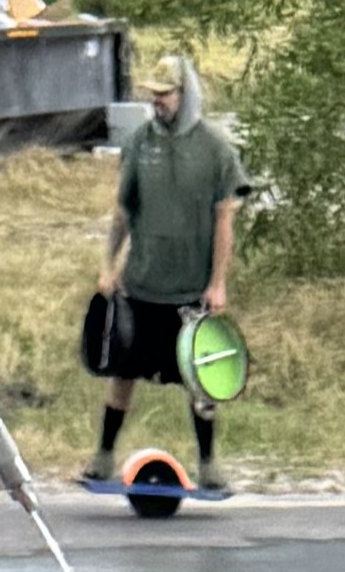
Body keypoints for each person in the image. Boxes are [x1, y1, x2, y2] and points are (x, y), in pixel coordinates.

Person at [88, 53, 243, 488]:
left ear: (185, 94)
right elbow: (123, 210)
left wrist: (217, 283)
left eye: (166, 95)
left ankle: (209, 465)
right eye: (153, 95)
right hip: (142, 284)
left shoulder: (215, 148)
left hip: (191, 290)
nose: (159, 103)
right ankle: (102, 455)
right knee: (123, 375)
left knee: (201, 382)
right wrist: (109, 264)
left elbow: (224, 219)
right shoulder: (140, 143)